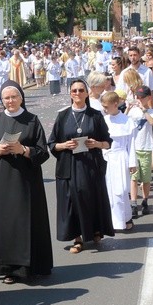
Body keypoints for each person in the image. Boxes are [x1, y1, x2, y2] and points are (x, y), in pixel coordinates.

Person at [0, 81, 53, 284]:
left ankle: (32, 265)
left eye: (14, 97)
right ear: (2, 101)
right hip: (2, 180)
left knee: (28, 220)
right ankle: (8, 268)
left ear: (21, 97)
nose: (10, 101)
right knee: (5, 223)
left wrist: (24, 150)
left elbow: (42, 152)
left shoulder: (32, 120)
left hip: (27, 180)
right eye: (6, 98)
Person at [48, 79, 114, 253]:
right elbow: (52, 143)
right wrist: (64, 146)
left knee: (91, 198)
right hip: (69, 165)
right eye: (74, 91)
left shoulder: (95, 115)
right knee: (72, 200)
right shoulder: (62, 116)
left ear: (87, 93)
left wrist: (97, 144)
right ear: (70, 93)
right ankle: (77, 238)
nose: (77, 93)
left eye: (81, 90)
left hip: (90, 164)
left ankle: (95, 231)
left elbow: (108, 142)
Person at [100, 91, 136, 232]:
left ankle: (124, 219)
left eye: (106, 106)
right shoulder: (104, 120)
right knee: (110, 191)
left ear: (115, 104)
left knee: (121, 191)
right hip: (107, 157)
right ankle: (120, 221)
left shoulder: (127, 121)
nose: (104, 109)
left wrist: (132, 163)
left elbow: (131, 144)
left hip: (121, 157)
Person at [126, 85, 153, 217]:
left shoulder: (151, 111)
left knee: (145, 178)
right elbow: (124, 122)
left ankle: (145, 200)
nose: (138, 99)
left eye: (141, 97)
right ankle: (133, 203)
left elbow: (152, 122)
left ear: (148, 98)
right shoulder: (132, 111)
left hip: (145, 148)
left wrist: (144, 110)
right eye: (137, 97)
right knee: (133, 177)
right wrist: (128, 108)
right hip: (133, 148)